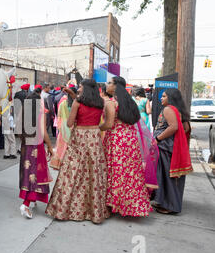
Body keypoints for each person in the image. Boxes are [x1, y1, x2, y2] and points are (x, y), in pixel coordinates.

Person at [46, 79, 110, 224]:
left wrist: (75, 118)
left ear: (85, 88)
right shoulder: (101, 103)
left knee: (73, 171)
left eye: (80, 86)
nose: (79, 88)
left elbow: (69, 123)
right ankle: (94, 212)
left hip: (80, 137)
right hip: (94, 136)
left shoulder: (78, 102)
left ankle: (65, 208)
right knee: (93, 172)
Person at [100, 76, 153, 217]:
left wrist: (96, 127)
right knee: (130, 173)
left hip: (116, 140)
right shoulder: (130, 102)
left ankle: (112, 204)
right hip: (130, 140)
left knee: (114, 172)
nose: (107, 85)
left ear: (116, 86)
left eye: (109, 83)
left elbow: (109, 124)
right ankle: (132, 205)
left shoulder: (111, 103)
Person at [151, 88, 192, 214]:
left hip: (165, 147)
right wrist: (176, 140)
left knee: (165, 176)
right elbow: (186, 128)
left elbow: (173, 127)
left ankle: (170, 206)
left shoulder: (169, 109)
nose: (161, 98)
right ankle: (167, 203)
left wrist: (158, 138)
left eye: (164, 96)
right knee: (170, 176)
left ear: (170, 98)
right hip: (171, 146)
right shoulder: (178, 110)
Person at [19, 87, 54, 219]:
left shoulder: (23, 112)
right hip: (36, 145)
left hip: (25, 145)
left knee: (28, 173)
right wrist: (50, 147)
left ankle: (31, 200)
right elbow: (44, 132)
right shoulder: (40, 112)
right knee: (36, 174)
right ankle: (26, 204)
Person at [49, 86, 75, 170]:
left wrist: (60, 128)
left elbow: (59, 116)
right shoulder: (77, 104)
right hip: (74, 127)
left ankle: (62, 163)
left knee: (62, 148)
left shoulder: (63, 103)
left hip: (64, 128)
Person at [14, 83, 31, 154]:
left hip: (17, 114)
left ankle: (20, 148)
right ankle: (21, 149)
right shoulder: (27, 95)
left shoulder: (17, 94)